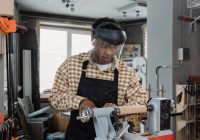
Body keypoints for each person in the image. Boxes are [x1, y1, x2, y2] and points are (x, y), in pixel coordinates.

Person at [48, 17, 147, 140]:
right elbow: (55, 97)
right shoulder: (71, 65)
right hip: (77, 135)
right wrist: (80, 102)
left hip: (110, 136)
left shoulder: (126, 72)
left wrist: (118, 110)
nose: (109, 52)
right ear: (93, 40)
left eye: (114, 47)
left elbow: (141, 103)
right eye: (104, 46)